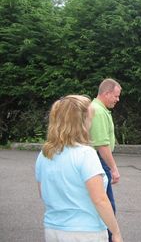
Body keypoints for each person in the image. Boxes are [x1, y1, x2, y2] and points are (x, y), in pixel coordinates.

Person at [35, 95, 123, 242]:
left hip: (53, 229)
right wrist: (116, 232)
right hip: (85, 232)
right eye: (90, 118)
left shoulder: (44, 154)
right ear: (81, 122)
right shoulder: (85, 154)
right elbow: (100, 200)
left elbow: (44, 193)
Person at [90, 78, 122, 241]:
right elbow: (102, 145)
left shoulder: (97, 108)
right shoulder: (99, 111)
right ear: (106, 93)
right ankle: (111, 238)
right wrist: (113, 169)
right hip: (99, 161)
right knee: (107, 205)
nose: (117, 99)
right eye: (116, 96)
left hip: (96, 160)